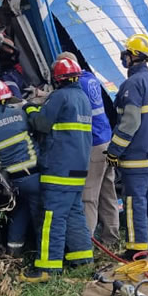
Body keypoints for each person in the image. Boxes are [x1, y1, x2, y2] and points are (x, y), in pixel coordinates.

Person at [19, 57, 94, 283]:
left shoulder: (60, 96)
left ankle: (47, 269)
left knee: (52, 217)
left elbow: (41, 124)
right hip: (78, 169)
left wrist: (30, 108)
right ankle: (82, 258)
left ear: (56, 79)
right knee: (74, 213)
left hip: (59, 169)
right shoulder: (82, 98)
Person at [106, 34, 148, 260]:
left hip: (137, 157)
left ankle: (137, 248)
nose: (123, 58)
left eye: (126, 53)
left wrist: (114, 151)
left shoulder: (131, 85)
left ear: (134, 57)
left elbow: (130, 122)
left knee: (135, 202)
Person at [57, 51, 119, 246]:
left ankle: (86, 245)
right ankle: (112, 237)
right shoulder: (90, 79)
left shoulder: (77, 86)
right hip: (107, 140)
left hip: (93, 145)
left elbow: (66, 102)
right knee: (108, 192)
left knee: (88, 197)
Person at [0, 78, 41, 257]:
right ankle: (42, 254)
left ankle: (13, 253)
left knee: (19, 212)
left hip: (13, 181)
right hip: (35, 176)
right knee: (41, 217)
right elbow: (38, 128)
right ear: (7, 98)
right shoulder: (20, 115)